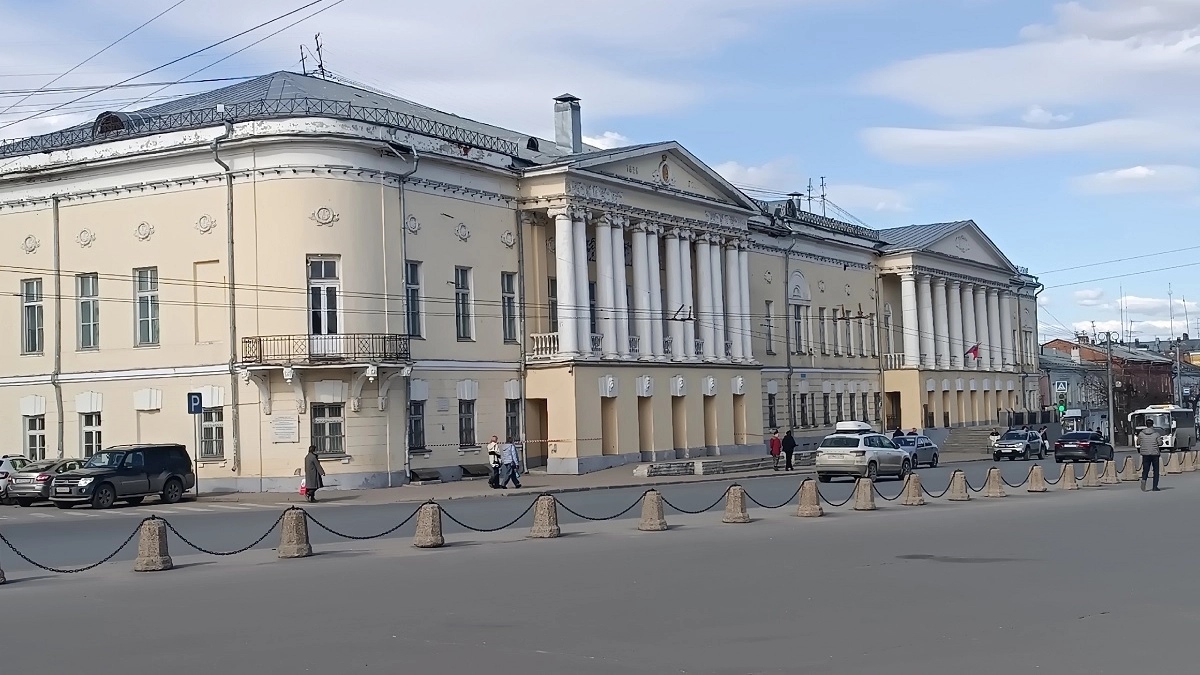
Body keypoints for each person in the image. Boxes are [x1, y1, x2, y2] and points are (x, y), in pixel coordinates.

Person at [1137, 421, 1164, 492]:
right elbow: (1160, 443)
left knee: (1145, 469)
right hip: (1155, 454)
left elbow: (1138, 442)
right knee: (1156, 470)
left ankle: (1143, 481)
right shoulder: (1156, 434)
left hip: (1145, 454)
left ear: (1146, 425)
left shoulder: (1141, 434)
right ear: (1152, 425)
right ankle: (1155, 487)